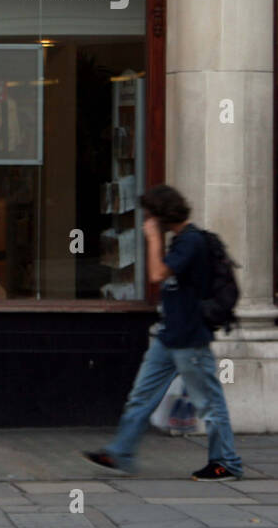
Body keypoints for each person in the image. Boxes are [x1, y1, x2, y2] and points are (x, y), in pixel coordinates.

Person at [83, 184, 244, 481]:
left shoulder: (190, 241)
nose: (146, 219)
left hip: (190, 338)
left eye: (149, 214)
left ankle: (226, 463)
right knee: (141, 397)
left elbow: (157, 274)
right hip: (169, 337)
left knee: (209, 403)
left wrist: (153, 238)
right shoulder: (181, 241)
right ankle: (121, 452)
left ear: (161, 215)